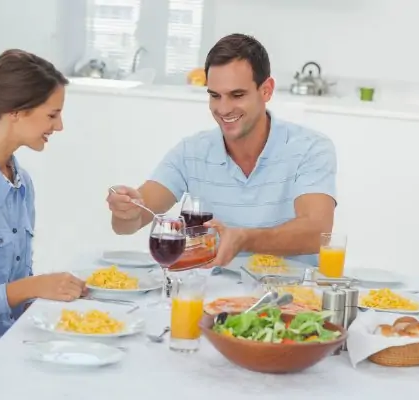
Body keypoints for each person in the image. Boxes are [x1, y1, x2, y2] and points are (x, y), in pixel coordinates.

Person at [106, 33, 337, 267]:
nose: (223, 109)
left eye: (237, 95)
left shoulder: (310, 148)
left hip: (290, 298)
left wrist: (244, 239)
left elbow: (318, 232)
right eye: (215, 96)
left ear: (266, 90)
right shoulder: (192, 151)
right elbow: (128, 225)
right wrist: (126, 211)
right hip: (210, 295)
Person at [0, 49, 86, 337]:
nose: (59, 126)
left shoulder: (21, 183)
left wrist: (53, 298)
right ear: (15, 111)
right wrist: (33, 287)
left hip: (14, 339)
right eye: (52, 114)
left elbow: (16, 289)